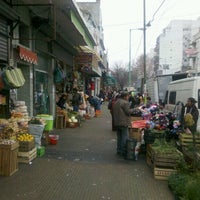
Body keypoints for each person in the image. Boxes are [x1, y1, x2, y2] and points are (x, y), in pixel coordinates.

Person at [112, 91, 136, 157]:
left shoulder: (116, 102)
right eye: (128, 96)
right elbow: (128, 111)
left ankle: (119, 150)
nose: (128, 97)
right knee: (125, 137)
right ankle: (123, 151)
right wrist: (135, 109)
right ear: (125, 96)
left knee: (119, 137)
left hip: (117, 122)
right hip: (123, 122)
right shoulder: (125, 103)